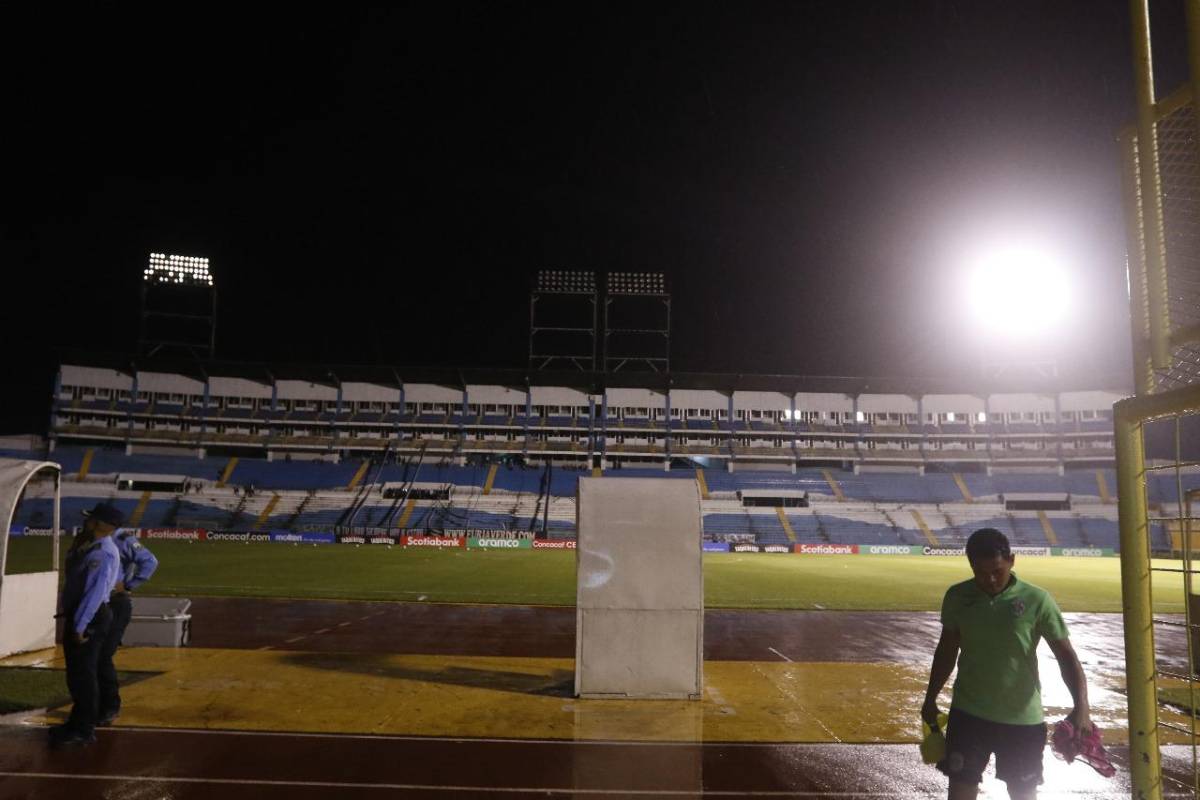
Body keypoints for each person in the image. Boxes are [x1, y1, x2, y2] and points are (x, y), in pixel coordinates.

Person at [922, 528, 1093, 800]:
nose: (990, 580)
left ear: (1012, 561)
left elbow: (1066, 657)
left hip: (1022, 719)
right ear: (971, 566)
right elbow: (946, 650)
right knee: (960, 792)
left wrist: (1082, 707)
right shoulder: (957, 597)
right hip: (968, 715)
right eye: (981, 572)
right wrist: (930, 698)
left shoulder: (1038, 600)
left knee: (1023, 794)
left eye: (997, 571)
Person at [50, 502, 122, 748]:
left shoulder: (102, 552)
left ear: (102, 524)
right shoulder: (91, 545)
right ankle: (78, 722)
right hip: (85, 613)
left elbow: (94, 593)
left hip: (90, 615)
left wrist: (80, 626)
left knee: (83, 674)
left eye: (92, 519)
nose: (86, 522)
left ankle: (83, 728)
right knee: (78, 673)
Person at [96, 526, 159, 726]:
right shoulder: (93, 540)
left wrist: (130, 584)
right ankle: (93, 704)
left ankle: (110, 707)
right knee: (93, 656)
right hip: (97, 602)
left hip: (115, 603)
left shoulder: (123, 538)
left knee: (103, 655)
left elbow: (150, 561)